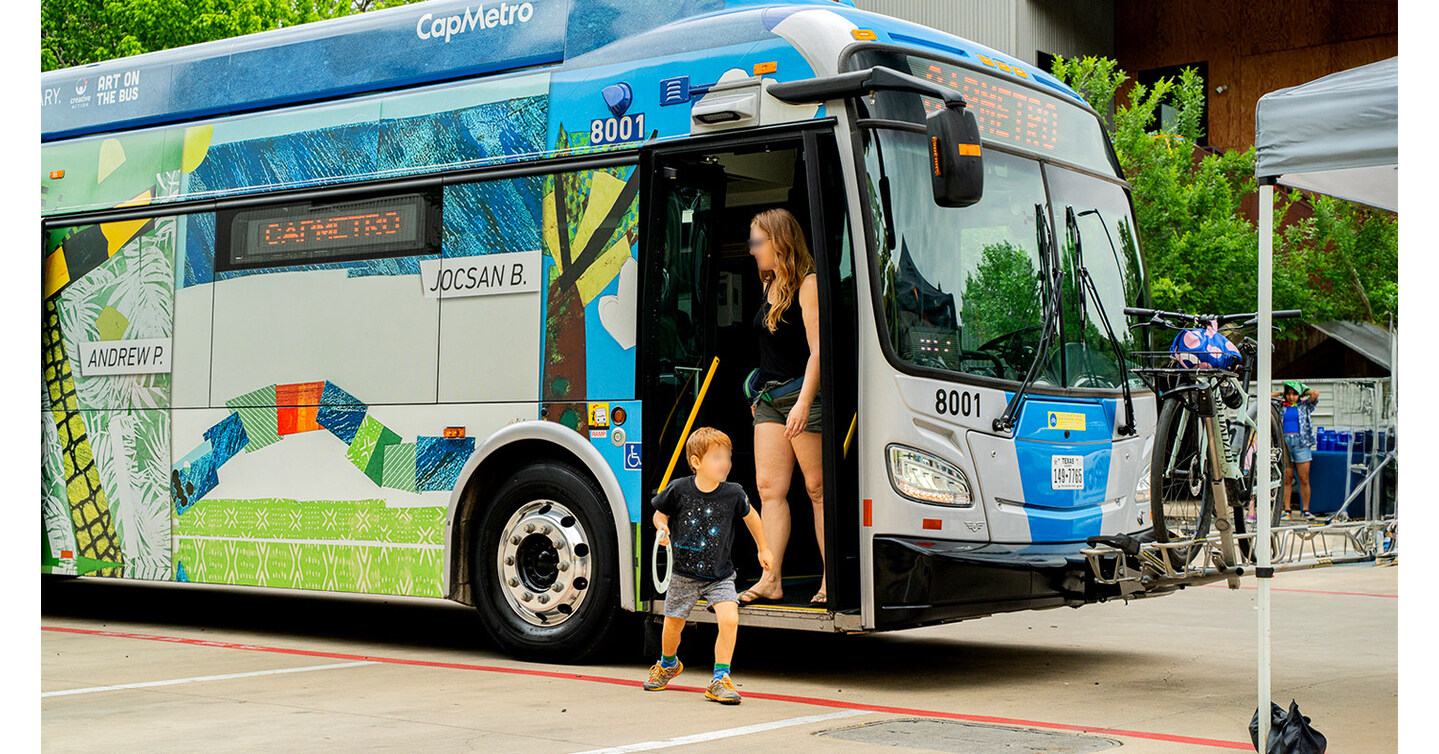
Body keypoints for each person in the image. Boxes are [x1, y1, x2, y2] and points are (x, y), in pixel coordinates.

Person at [643, 427, 773, 704]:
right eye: (717, 457)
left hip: (720, 576)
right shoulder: (679, 489)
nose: (725, 463)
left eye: (727, 457)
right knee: (672, 626)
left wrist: (764, 547)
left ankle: (720, 678)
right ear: (696, 462)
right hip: (683, 576)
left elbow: (752, 518)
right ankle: (668, 665)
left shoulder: (734, 493)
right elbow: (658, 514)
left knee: (730, 619)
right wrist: (662, 528)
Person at [737, 208, 826, 606]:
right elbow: (769, 350)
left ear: (779, 242)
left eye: (758, 242)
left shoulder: (808, 284)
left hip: (800, 395)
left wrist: (804, 402)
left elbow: (818, 351)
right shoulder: (769, 285)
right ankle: (771, 579)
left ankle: (829, 581)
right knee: (770, 490)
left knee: (817, 489)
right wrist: (757, 394)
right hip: (769, 401)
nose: (753, 250)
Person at [1271, 380, 1320, 520]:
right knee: (1286, 478)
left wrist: (1302, 391)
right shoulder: (1281, 405)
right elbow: (1267, 396)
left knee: (1304, 479)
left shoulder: (1304, 406)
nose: (1291, 397)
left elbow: (1315, 394)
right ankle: (1287, 510)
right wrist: (1282, 393)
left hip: (1301, 442)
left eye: (1294, 394)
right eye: (1289, 394)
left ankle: (1306, 509)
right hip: (1285, 442)